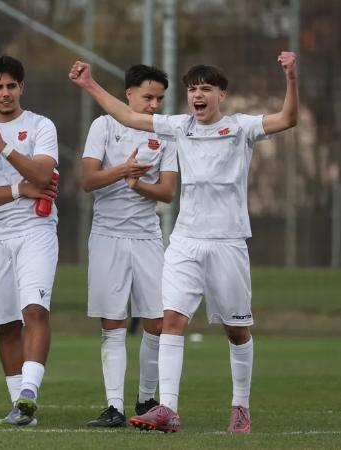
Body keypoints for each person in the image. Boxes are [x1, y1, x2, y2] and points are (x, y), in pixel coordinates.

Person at [69, 51, 298, 433]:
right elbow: (127, 115)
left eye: (206, 88)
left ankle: (240, 406)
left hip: (228, 242)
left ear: (221, 95)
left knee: (236, 330)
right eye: (193, 89)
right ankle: (168, 409)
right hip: (185, 242)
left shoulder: (241, 127)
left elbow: (288, 119)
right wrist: (90, 84)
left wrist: (290, 76)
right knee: (171, 320)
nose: (198, 95)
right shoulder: (178, 126)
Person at [80, 64, 178, 428]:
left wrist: (139, 186)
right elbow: (88, 180)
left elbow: (167, 192)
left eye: (159, 99)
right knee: (114, 322)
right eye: (148, 97)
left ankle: (146, 399)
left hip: (148, 237)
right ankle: (115, 407)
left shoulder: (164, 133)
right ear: (129, 95)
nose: (154, 105)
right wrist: (124, 170)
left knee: (157, 321)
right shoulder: (103, 126)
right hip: (107, 235)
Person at [0, 55, 59, 426]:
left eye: (11, 86)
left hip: (36, 231)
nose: (5, 93)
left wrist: (3, 148)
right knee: (6, 325)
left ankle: (28, 395)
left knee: (34, 311)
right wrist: (23, 188)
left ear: (21, 87)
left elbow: (44, 171)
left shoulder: (41, 125)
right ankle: (21, 412)